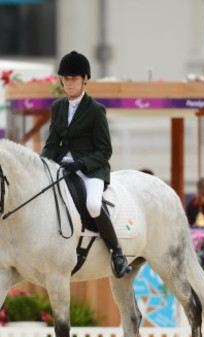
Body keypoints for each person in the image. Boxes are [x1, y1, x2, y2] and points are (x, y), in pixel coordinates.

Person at [40, 50, 131, 278]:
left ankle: (117, 253)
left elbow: (105, 150)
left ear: (85, 80)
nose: (68, 84)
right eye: (65, 79)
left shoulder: (95, 110)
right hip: (62, 166)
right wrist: (42, 163)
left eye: (73, 79)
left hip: (90, 169)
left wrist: (81, 164)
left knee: (92, 204)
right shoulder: (57, 107)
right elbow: (52, 143)